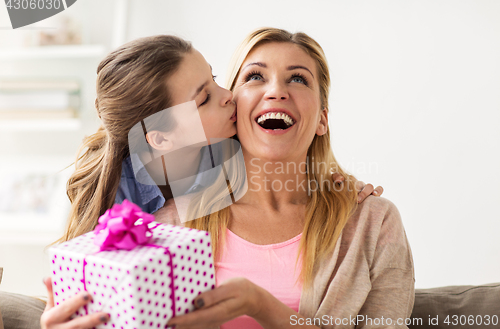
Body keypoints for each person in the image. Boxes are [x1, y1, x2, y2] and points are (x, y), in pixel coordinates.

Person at [41, 33, 382, 328]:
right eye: (204, 98)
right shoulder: (129, 202)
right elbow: (97, 295)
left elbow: (290, 156)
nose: (227, 95)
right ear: (160, 139)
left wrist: (336, 183)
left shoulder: (226, 146)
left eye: (216, 78)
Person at [160, 28, 415, 329]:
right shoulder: (172, 225)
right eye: (255, 77)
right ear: (232, 107)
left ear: (322, 119)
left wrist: (261, 306)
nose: (276, 92)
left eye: (298, 79)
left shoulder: (373, 223)